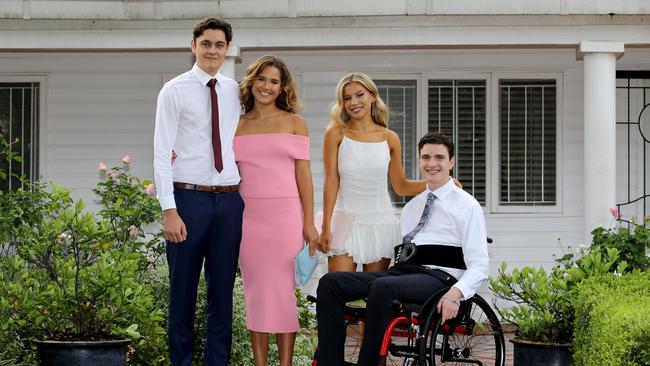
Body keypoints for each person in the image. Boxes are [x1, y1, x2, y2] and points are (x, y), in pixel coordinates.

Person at [315, 132, 489, 366]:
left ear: (451, 162)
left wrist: (455, 294)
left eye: (439, 157)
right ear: (419, 161)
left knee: (384, 286)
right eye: (426, 157)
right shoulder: (412, 207)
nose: (432, 164)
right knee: (330, 283)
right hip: (404, 274)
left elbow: (479, 264)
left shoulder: (467, 205)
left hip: (440, 279)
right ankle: (330, 362)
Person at [153, 17, 243, 366]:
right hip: (188, 200)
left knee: (222, 295)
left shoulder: (235, 91)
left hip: (229, 200)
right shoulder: (174, 90)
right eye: (206, 43)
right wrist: (169, 209)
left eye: (219, 45)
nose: (212, 50)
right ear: (193, 46)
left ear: (227, 50)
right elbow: (161, 151)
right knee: (183, 295)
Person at [233, 55, 319, 366]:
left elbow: (304, 176)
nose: (266, 86)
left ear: (282, 88)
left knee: (283, 294)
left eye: (274, 81)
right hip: (248, 218)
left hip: (286, 216)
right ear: (252, 81)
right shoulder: (237, 124)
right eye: (261, 79)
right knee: (255, 294)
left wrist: (309, 222)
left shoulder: (295, 123)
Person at [317, 72, 426, 273]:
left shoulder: (390, 138)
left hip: (380, 224)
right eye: (347, 98)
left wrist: (440, 183)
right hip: (345, 225)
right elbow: (331, 181)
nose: (354, 102)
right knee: (338, 289)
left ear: (372, 96)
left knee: (374, 294)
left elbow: (400, 186)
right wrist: (325, 227)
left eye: (360, 95)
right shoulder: (335, 134)